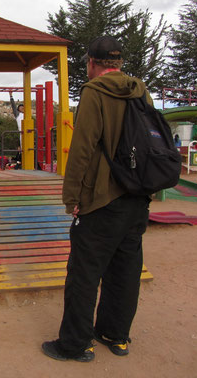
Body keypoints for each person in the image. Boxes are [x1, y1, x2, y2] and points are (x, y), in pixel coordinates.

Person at [41, 36, 152, 362]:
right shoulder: (139, 90)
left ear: (92, 62)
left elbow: (82, 149)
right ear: (117, 62)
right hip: (137, 197)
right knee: (125, 271)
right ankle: (115, 335)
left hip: (103, 200)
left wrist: (72, 196)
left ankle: (76, 344)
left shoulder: (94, 93)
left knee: (84, 273)